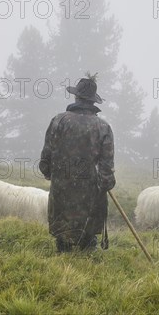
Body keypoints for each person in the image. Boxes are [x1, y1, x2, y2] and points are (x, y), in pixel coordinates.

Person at [39, 74, 116, 252]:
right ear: (92, 101)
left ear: (76, 97)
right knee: (87, 242)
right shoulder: (103, 128)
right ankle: (87, 256)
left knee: (62, 238)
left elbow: (46, 158)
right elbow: (106, 169)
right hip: (90, 197)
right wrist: (106, 183)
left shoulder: (58, 121)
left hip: (61, 190)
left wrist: (50, 173)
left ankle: (62, 258)